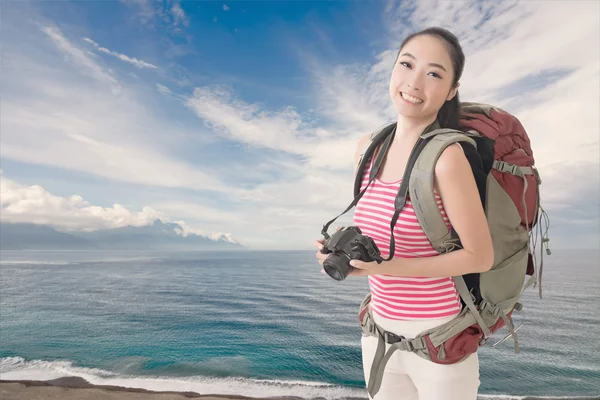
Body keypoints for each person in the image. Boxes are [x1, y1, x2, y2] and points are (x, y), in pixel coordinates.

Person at [313, 27, 494, 400]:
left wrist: (383, 267)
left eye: (433, 73)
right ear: (392, 69)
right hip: (378, 335)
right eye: (406, 64)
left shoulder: (447, 158)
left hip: (438, 342)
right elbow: (375, 233)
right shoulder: (368, 148)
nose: (414, 82)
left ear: (451, 90)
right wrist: (344, 254)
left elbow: (480, 256)